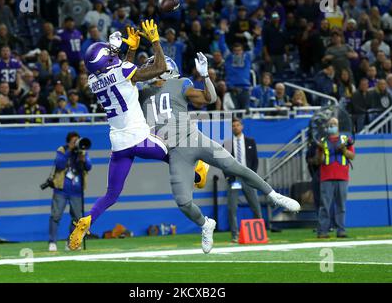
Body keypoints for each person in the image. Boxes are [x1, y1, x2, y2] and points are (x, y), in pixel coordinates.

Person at [137, 53, 300, 252]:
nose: (148, 71)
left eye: (153, 67)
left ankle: (274, 195)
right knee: (183, 202)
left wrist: (206, 77)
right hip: (175, 152)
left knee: (234, 166)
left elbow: (210, 97)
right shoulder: (141, 91)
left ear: (165, 70)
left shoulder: (179, 84)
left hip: (194, 138)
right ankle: (205, 224)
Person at [68, 21, 172, 251]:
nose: (115, 53)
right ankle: (197, 173)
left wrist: (131, 50)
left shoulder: (94, 80)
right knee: (175, 153)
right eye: (111, 53)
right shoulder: (121, 70)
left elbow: (121, 72)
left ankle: (87, 220)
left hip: (119, 144)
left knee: (111, 194)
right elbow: (160, 68)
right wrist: (154, 40)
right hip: (139, 138)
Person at [48, 132, 92, 251]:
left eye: (77, 141)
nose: (76, 143)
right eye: (73, 141)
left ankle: (71, 243)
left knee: (77, 218)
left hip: (77, 191)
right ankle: (52, 242)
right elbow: (60, 164)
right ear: (68, 142)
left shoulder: (82, 151)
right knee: (55, 216)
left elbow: (89, 167)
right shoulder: (62, 150)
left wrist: (83, 158)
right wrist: (69, 150)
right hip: (61, 189)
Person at [224, 118, 263, 242]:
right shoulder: (227, 144)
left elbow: (255, 161)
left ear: (242, 126)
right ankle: (235, 235)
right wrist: (228, 177)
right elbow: (223, 163)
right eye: (233, 125)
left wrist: (252, 176)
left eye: (237, 125)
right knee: (232, 208)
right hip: (234, 179)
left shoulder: (250, 142)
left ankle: (259, 233)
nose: (235, 127)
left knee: (255, 206)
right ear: (231, 128)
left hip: (248, 178)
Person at [316, 117, 355, 238]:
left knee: (341, 205)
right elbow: (319, 161)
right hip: (326, 176)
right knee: (325, 205)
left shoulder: (345, 140)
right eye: (330, 124)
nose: (332, 126)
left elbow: (352, 156)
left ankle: (341, 230)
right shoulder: (322, 141)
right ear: (327, 127)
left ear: (338, 126)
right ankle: (323, 231)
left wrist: (343, 149)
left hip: (342, 176)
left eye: (334, 124)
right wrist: (321, 150)